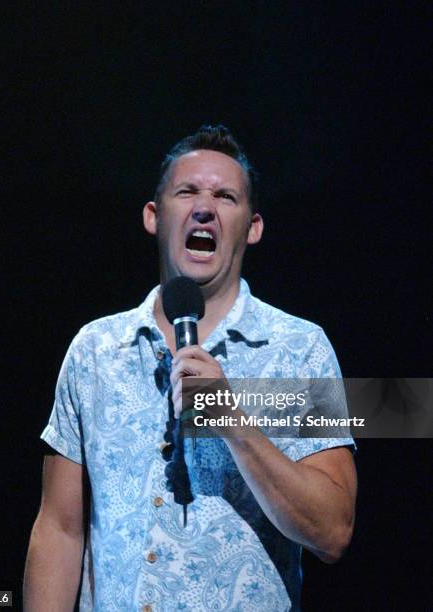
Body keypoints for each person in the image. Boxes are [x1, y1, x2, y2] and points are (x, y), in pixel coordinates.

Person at [24, 125, 357, 611]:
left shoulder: (301, 348)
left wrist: (233, 423)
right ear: (154, 217)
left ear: (253, 226)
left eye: (225, 196)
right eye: (188, 192)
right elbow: (59, 528)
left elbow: (332, 531)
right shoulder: (96, 350)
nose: (205, 207)